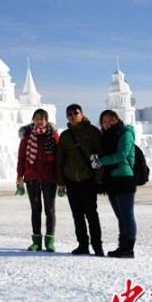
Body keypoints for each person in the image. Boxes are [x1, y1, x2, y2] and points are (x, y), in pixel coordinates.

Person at [56, 104, 104, 256]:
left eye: (75, 113)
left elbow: (99, 154)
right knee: (77, 214)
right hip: (71, 179)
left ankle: (97, 246)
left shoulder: (92, 131)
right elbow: (60, 159)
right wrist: (60, 180)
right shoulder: (65, 136)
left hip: (88, 178)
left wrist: (99, 177)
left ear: (82, 114)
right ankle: (83, 244)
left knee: (91, 214)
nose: (72, 115)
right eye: (69, 114)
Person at [91, 110, 137, 258]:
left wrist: (100, 161)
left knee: (127, 215)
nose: (107, 123)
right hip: (111, 180)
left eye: (110, 119)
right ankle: (122, 247)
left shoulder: (125, 133)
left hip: (124, 178)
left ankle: (128, 249)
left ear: (116, 119)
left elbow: (122, 154)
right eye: (103, 121)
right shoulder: (106, 136)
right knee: (120, 216)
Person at [16, 109, 60, 252]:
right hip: (32, 177)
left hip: (49, 177)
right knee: (36, 210)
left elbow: (59, 157)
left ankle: (49, 241)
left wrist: (61, 179)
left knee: (50, 210)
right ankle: (36, 241)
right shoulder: (27, 136)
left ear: (47, 120)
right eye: (36, 118)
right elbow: (22, 157)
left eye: (42, 118)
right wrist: (19, 176)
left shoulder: (53, 135)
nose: (39, 121)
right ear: (33, 120)